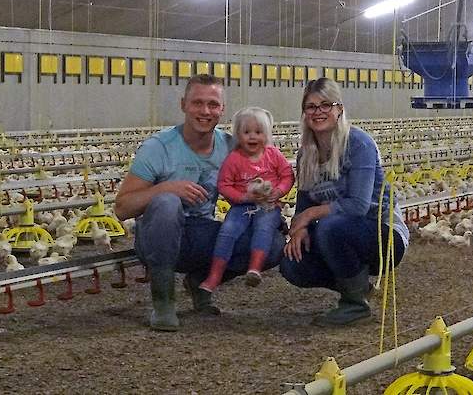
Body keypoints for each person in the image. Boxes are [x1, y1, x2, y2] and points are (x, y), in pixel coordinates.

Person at [114, 74, 285, 331]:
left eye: (213, 104)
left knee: (272, 243)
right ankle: (163, 302)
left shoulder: (229, 147)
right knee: (166, 204)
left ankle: (199, 281)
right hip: (158, 237)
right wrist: (166, 188)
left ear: (222, 110)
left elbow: (260, 176)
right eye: (197, 103)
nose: (205, 111)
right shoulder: (158, 148)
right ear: (184, 105)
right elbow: (122, 208)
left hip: (200, 231)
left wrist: (266, 199)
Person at [280, 78, 410, 326]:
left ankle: (354, 305)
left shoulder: (359, 143)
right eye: (311, 106)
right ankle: (358, 287)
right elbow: (304, 201)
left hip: (382, 236)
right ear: (305, 113)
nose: (318, 112)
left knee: (332, 226)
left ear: (339, 109)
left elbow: (358, 206)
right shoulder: (306, 154)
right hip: (340, 233)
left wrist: (309, 216)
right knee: (291, 263)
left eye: (325, 105)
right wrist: (299, 229)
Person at [198, 107, 294, 293]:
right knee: (228, 231)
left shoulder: (273, 154)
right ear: (237, 135)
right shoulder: (234, 159)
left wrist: (278, 192)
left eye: (258, 132)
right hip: (242, 206)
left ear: (266, 134)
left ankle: (255, 268)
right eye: (246, 132)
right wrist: (242, 197)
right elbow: (224, 184)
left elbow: (287, 175)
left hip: (268, 205)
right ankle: (214, 276)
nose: (252, 137)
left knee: (264, 228)